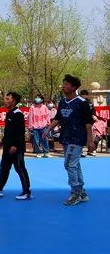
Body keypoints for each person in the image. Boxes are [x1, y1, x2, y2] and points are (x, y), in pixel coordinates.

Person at [44, 75, 94, 205]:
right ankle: (81, 192)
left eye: (66, 84)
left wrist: (90, 141)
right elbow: (58, 118)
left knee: (69, 164)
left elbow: (88, 123)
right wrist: (48, 129)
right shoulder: (62, 102)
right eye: (63, 84)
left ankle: (75, 193)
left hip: (77, 138)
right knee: (75, 165)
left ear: (74, 87)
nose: (63, 86)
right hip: (66, 137)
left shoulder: (82, 103)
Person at [0, 92, 32, 200]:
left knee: (20, 168)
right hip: (7, 147)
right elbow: (9, 131)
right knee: (4, 168)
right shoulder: (9, 113)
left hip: (16, 148)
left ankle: (26, 192)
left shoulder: (18, 114)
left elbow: (20, 132)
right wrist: (3, 141)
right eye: (5, 99)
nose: (5, 101)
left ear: (14, 101)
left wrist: (15, 145)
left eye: (7, 99)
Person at [79, 89, 105, 157]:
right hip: (81, 122)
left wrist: (94, 116)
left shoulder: (90, 103)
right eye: (83, 95)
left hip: (89, 122)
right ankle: (80, 151)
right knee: (81, 137)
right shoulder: (78, 102)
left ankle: (90, 151)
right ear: (81, 95)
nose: (84, 97)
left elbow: (93, 111)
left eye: (85, 95)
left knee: (90, 137)